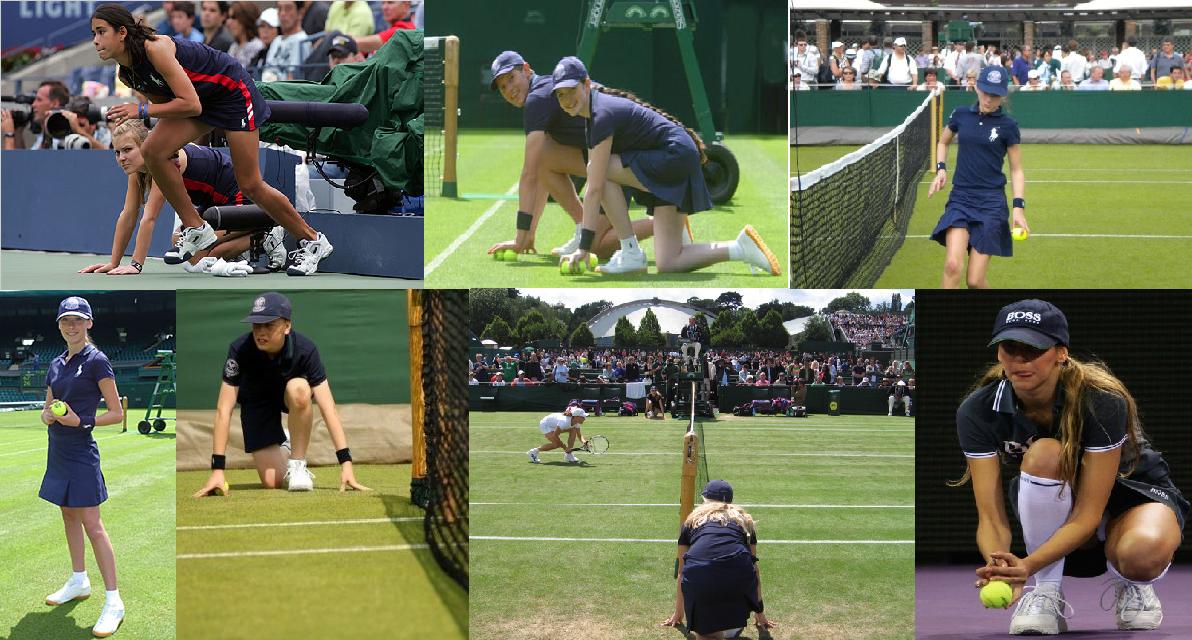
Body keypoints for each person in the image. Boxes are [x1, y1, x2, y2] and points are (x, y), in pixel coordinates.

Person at [954, 299, 1188, 635]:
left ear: (1060, 353)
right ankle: (1046, 592)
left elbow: (1089, 514)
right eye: (1009, 348)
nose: (1019, 359)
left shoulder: (1101, 400)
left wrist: (1027, 565)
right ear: (998, 353)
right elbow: (990, 517)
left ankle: (1132, 584)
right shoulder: (977, 410)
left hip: (1132, 493)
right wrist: (1001, 565)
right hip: (1061, 507)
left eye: (1031, 349)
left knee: (1142, 554)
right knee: (1045, 454)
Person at [91, 4, 334, 276]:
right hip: (203, 102)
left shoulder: (156, 49)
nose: (96, 41)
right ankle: (197, 228)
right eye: (94, 34)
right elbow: (172, 106)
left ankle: (313, 241)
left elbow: (190, 104)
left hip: (232, 92)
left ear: (122, 32)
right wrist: (165, 145)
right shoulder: (129, 73)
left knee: (250, 184)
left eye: (101, 32)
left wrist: (142, 110)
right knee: (153, 151)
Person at [552, 56, 780, 276]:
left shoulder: (601, 114)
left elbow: (594, 187)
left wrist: (583, 248)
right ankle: (741, 248)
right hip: (674, 157)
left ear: (587, 84)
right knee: (668, 262)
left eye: (572, 90)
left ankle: (630, 252)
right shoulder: (592, 115)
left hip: (674, 156)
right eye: (561, 95)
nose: (567, 99)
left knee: (600, 173)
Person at [193, 292, 371, 495]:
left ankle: (297, 464)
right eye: (256, 325)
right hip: (256, 401)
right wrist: (217, 469)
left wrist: (346, 463)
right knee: (273, 482)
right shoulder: (239, 349)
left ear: (287, 326)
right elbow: (223, 410)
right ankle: (287, 441)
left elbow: (328, 407)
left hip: (290, 395)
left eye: (268, 325)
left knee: (300, 389)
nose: (261, 332)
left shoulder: (306, 350)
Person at [484, 51, 655, 259]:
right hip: (612, 155)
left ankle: (666, 224)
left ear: (527, 70)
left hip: (625, 157)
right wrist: (528, 234)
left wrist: (519, 239)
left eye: (511, 78)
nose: (509, 89)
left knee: (595, 247)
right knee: (543, 154)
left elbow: (528, 175)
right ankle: (583, 225)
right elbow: (539, 171)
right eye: (503, 87)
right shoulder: (542, 93)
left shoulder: (537, 99)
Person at [80, 118, 284, 277]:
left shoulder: (164, 161)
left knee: (201, 257)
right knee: (179, 240)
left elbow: (149, 217)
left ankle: (264, 236)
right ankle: (246, 239)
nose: (121, 158)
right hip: (214, 206)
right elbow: (129, 214)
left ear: (146, 145)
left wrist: (135, 265)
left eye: (127, 150)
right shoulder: (137, 171)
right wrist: (113, 263)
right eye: (117, 152)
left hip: (242, 200)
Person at [39, 296, 126, 637]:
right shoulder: (56, 363)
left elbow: (117, 413)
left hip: (81, 450)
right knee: (67, 513)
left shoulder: (97, 361)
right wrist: (48, 415)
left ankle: (114, 601)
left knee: (93, 524)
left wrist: (81, 421)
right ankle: (78, 580)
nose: (71, 326)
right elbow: (47, 410)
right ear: (59, 325)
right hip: (58, 449)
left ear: (89, 323)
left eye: (77, 320)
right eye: (65, 321)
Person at [928, 65, 1027, 289]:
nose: (989, 99)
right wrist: (941, 168)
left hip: (991, 203)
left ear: (1003, 95)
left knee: (974, 281)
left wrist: (1019, 208)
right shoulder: (961, 114)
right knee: (953, 265)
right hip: (961, 199)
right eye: (985, 92)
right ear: (976, 88)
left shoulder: (1008, 126)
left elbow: (1016, 169)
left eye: (995, 95)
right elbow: (943, 142)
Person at [662, 480, 775, 639]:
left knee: (710, 635)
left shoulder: (690, 522)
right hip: (738, 576)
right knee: (730, 632)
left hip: (699, 576)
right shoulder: (744, 521)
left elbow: (682, 572)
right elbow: (753, 569)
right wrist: (759, 612)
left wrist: (678, 614)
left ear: (705, 499)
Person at [1, 80, 70, 150]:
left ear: (55, 103)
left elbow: (10, 161)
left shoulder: (59, 140)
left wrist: (9, 135)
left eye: (39, 100)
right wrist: (17, 131)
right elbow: (23, 160)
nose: (33, 105)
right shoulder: (41, 138)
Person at [262, 1, 308, 81]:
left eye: (288, 8)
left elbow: (293, 80)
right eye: (279, 9)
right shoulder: (276, 40)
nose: (282, 13)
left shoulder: (303, 41)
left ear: (301, 13)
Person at [224, 2, 263, 70]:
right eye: (228, 17)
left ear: (246, 19)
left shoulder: (257, 46)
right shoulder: (234, 46)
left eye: (234, 17)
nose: (228, 22)